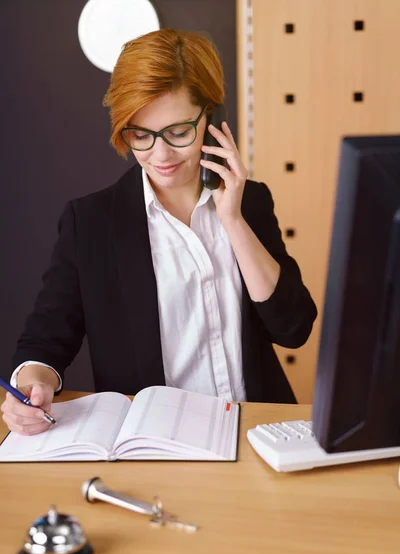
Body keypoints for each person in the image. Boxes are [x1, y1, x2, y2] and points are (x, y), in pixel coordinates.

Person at [1, 29, 317, 436]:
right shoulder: (92, 223)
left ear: (210, 118)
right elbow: (44, 340)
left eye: (178, 132)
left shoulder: (250, 203)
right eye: (141, 135)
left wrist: (233, 221)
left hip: (257, 430)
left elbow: (294, 329)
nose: (160, 155)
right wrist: (34, 381)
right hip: (154, 442)